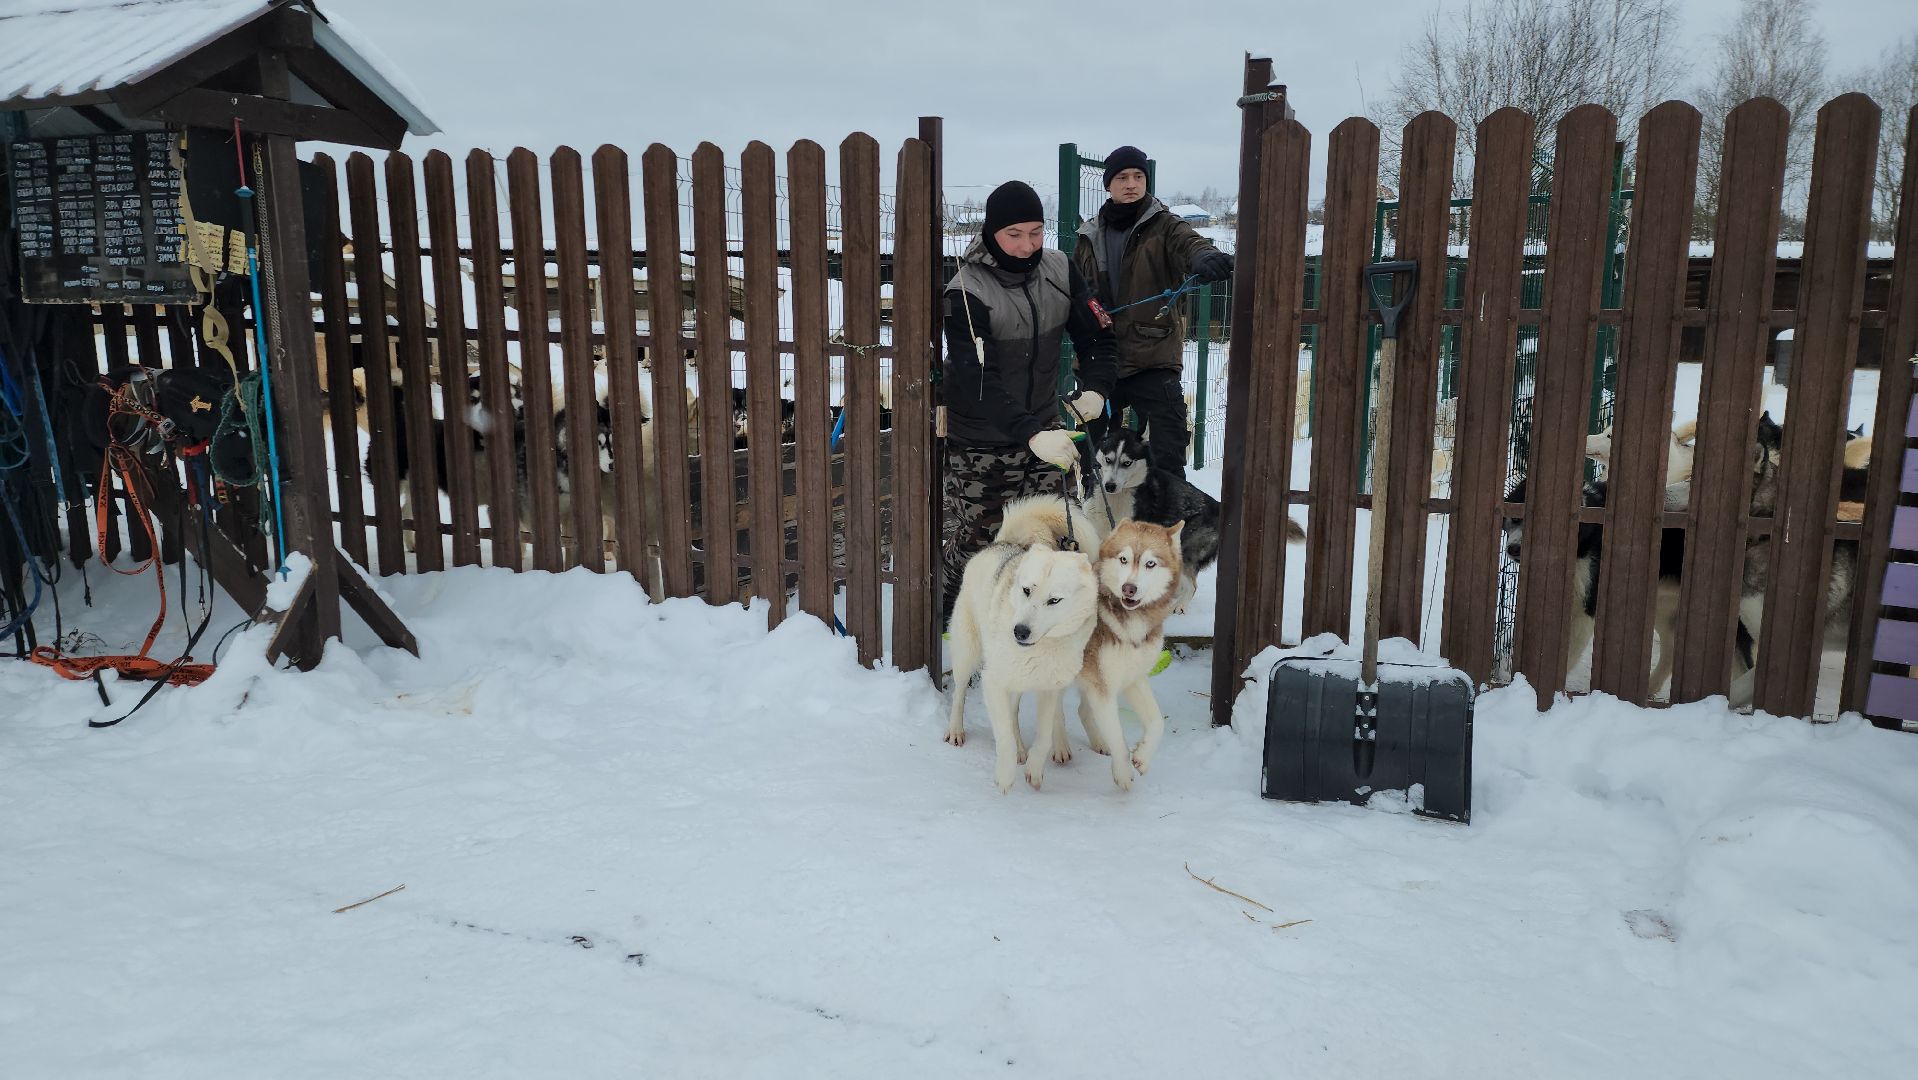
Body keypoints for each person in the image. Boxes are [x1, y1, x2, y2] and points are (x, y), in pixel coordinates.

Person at [942, 179, 1119, 620]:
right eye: (1014, 235)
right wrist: (1031, 433)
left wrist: (1097, 388)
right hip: (982, 436)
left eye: (1036, 232)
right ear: (991, 233)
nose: (1027, 245)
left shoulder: (1060, 270)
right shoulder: (966, 291)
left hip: (1044, 426)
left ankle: (1034, 621)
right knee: (982, 541)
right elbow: (978, 380)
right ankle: (949, 611)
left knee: (1053, 536)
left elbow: (1098, 338)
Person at [1071, 146, 1234, 477]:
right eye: (1122, 177)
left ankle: (1166, 524)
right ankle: (1090, 520)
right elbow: (1073, 289)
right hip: (1101, 361)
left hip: (1153, 357)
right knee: (1087, 455)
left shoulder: (1165, 226)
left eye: (1138, 176)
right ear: (1108, 185)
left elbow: (1191, 244)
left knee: (1167, 452)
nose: (1131, 183)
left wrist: (1204, 257)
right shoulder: (1088, 235)